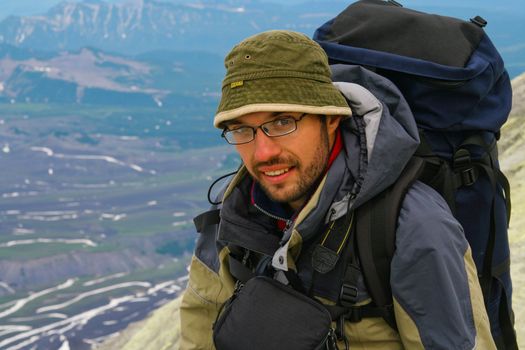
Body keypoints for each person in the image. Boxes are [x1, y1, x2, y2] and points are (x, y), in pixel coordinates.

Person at [179, 30, 495, 349]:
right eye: (242, 130)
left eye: (282, 122)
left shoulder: (413, 227)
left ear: (330, 119)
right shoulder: (233, 214)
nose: (262, 153)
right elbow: (199, 330)